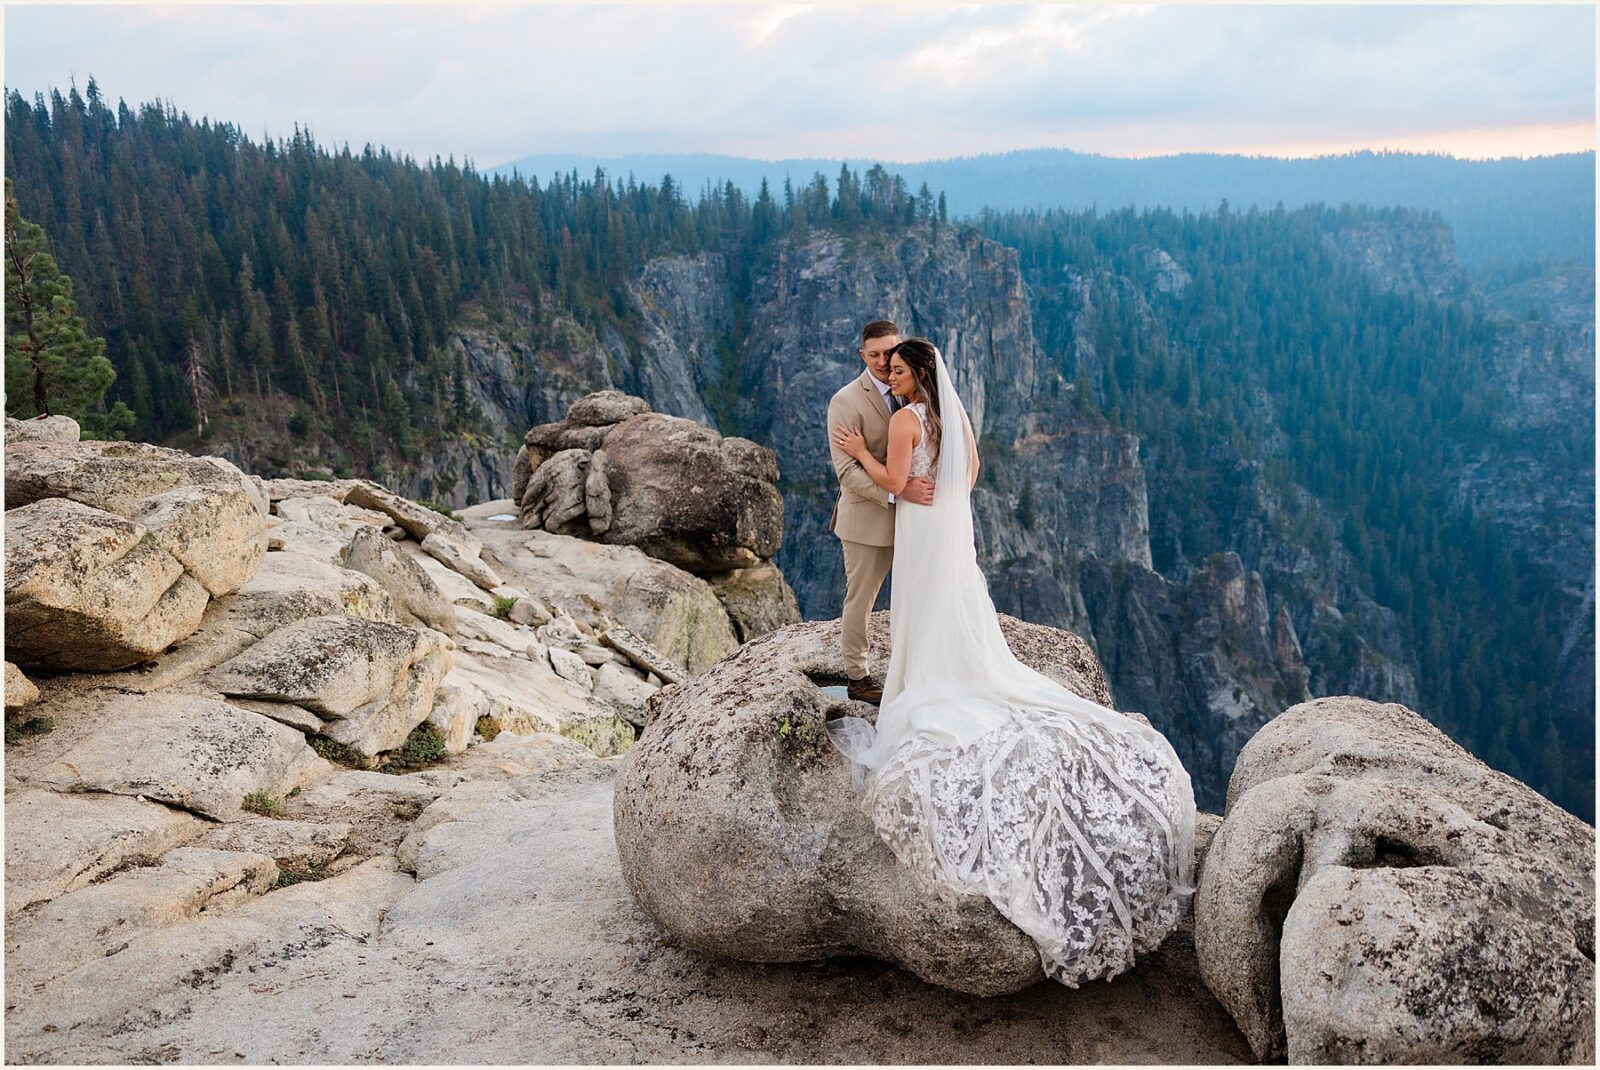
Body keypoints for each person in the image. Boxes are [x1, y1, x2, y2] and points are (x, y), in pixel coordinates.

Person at [827, 337, 1198, 988]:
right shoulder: (948, 418)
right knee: (955, 604)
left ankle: (927, 676)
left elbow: (893, 485)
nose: (894, 375)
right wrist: (936, 497)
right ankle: (953, 667)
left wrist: (861, 453)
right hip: (949, 526)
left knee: (921, 608)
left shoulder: (908, 421)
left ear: (916, 376)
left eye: (901, 369)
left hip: (921, 527)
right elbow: (966, 478)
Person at [825, 319, 935, 703]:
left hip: (915, 521)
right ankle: (858, 677)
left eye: (890, 352)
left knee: (917, 594)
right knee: (861, 599)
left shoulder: (913, 391)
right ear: (862, 355)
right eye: (875, 354)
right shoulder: (845, 402)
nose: (884, 361)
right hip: (867, 519)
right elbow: (846, 472)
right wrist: (896, 492)